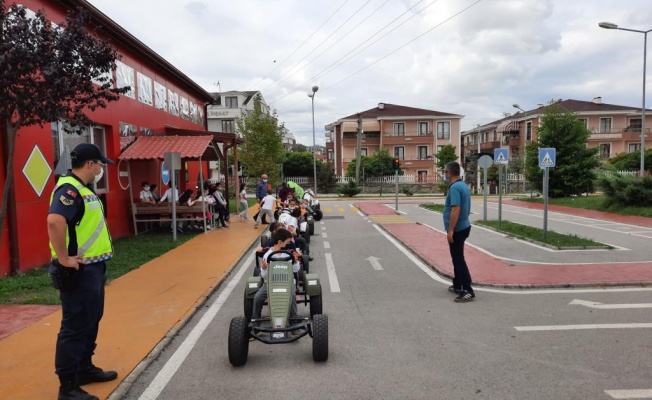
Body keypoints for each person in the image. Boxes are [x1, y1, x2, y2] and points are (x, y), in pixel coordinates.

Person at [47, 143, 117, 400]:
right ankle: (67, 386)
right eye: (100, 164)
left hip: (92, 268)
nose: (101, 169)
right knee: (74, 327)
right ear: (90, 164)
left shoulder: (83, 189)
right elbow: (54, 221)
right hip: (79, 271)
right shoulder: (69, 190)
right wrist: (63, 259)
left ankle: (84, 369)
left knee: (90, 320)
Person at [252, 228, 301, 322]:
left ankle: (293, 320)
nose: (288, 244)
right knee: (258, 297)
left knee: (292, 295)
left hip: (287, 282)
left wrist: (295, 262)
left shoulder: (288, 254)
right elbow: (265, 276)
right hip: (270, 283)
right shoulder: (267, 255)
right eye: (287, 242)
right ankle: (256, 321)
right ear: (280, 242)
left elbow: (295, 270)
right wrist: (264, 268)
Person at [443, 161, 475, 303]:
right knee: (457, 257)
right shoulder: (463, 185)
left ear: (449, 173)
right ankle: (457, 284)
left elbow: (456, 209)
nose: (444, 175)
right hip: (464, 226)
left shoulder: (455, 188)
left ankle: (467, 289)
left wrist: (450, 230)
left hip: (458, 228)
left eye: (445, 172)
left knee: (458, 259)